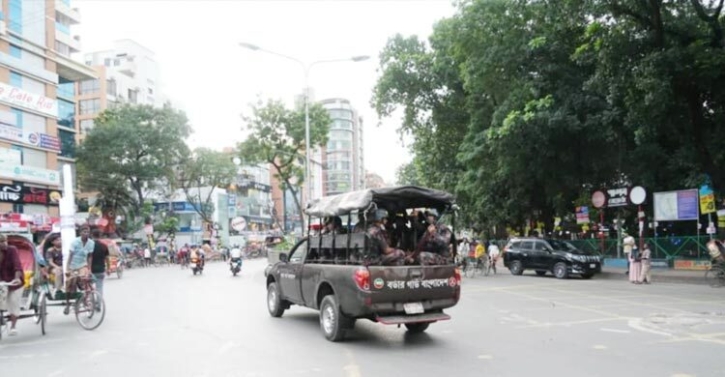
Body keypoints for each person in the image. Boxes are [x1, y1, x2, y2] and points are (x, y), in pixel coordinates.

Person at [64, 225, 95, 315]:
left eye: (87, 232)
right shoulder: (75, 242)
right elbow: (70, 256)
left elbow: (90, 257)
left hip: (83, 264)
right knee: (69, 282)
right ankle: (68, 304)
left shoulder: (91, 243)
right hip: (73, 265)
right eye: (84, 232)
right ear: (80, 232)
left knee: (84, 278)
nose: (86, 233)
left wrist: (89, 268)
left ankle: (85, 298)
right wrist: (67, 268)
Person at [0, 234, 24, 336]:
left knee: (13, 302)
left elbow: (17, 265)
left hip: (14, 282)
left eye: (4, 241)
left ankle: (13, 326)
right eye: (1, 242)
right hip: (1, 281)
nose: (3, 243)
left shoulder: (12, 250)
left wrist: (17, 278)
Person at [90, 230, 110, 298]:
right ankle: (98, 305)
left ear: (92, 235)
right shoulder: (104, 246)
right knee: (99, 288)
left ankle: (92, 304)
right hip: (101, 270)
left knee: (89, 288)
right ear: (100, 236)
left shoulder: (89, 245)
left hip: (90, 270)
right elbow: (107, 258)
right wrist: (108, 269)